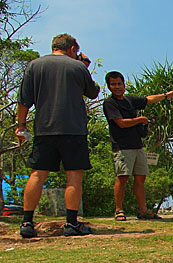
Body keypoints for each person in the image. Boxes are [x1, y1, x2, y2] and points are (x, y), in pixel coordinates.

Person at [14, 33, 100, 238]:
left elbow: (24, 100)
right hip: (73, 130)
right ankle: (71, 224)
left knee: (38, 174)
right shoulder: (78, 67)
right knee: (74, 175)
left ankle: (27, 222)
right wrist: (84, 67)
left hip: (44, 129)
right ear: (72, 49)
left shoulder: (34, 66)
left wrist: (21, 126)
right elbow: (93, 92)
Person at [103, 71, 173, 221]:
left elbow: (147, 100)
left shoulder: (129, 100)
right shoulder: (109, 103)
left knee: (140, 179)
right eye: (113, 84)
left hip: (137, 146)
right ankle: (119, 210)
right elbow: (121, 123)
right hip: (122, 146)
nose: (117, 87)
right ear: (109, 86)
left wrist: (165, 95)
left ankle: (142, 210)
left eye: (119, 84)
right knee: (122, 177)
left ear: (124, 85)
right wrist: (140, 120)